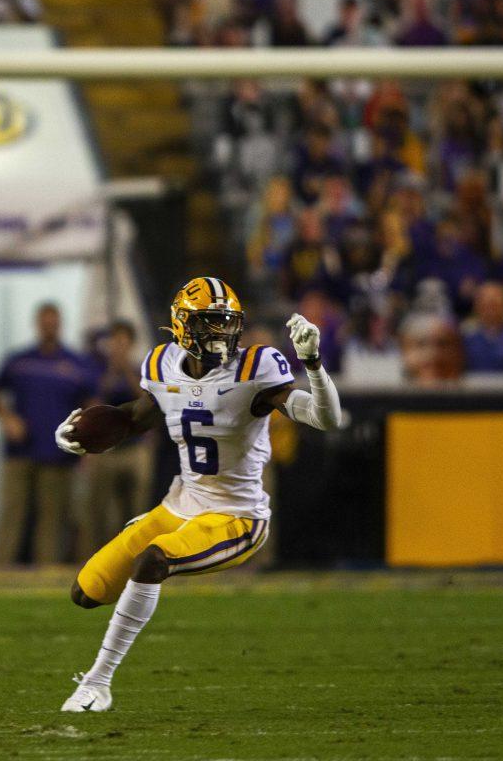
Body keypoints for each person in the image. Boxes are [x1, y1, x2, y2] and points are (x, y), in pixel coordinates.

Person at [55, 277, 342, 713]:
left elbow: (326, 418)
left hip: (236, 516)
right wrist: (81, 431)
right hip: (181, 505)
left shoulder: (255, 368)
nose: (223, 334)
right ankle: (99, 671)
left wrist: (314, 365)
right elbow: (135, 418)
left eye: (228, 324)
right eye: (212, 324)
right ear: (183, 325)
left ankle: (98, 682)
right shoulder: (161, 364)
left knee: (153, 560)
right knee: (86, 592)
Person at [0, 302, 95, 566]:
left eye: (53, 322)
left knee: (51, 519)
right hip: (19, 452)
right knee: (12, 514)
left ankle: (44, 575)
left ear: (60, 325)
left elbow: (92, 404)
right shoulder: (19, 361)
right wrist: (7, 419)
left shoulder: (75, 364)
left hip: (57, 454)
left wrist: (85, 440)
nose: (49, 327)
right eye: (44, 322)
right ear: (37, 324)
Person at [82, 321, 152, 555]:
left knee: (135, 508)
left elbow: (144, 403)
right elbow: (94, 404)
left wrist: (127, 371)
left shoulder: (142, 371)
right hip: (107, 450)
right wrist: (113, 370)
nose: (119, 347)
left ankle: (132, 556)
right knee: (100, 510)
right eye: (115, 341)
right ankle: (97, 556)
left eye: (124, 342)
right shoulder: (97, 371)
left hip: (135, 448)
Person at [461, 281, 503, 373]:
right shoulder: (465, 336)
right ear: (476, 307)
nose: (491, 311)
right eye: (486, 305)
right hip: (474, 386)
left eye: (495, 305)